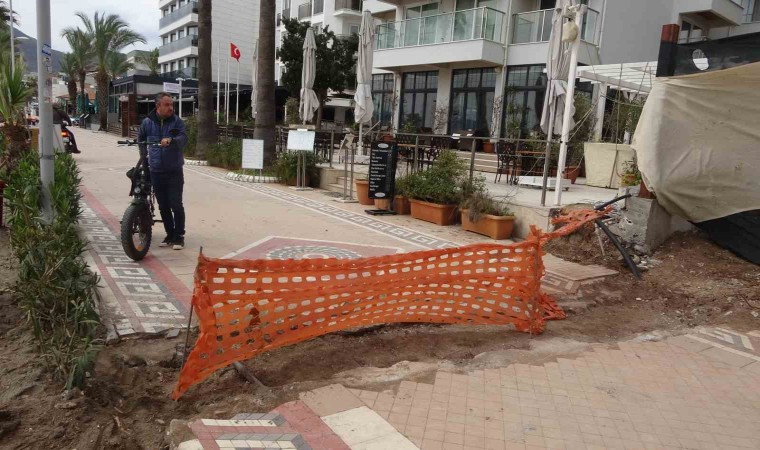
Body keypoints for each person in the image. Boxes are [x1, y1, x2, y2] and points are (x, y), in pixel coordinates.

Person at [138, 92, 188, 250]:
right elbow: (141, 140)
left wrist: (171, 140)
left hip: (174, 170)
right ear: (158, 106)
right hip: (156, 170)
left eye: (172, 104)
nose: (171, 108)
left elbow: (184, 138)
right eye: (167, 105)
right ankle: (169, 234)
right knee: (163, 205)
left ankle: (179, 236)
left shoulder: (176, 121)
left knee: (176, 204)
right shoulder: (147, 122)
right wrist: (144, 159)